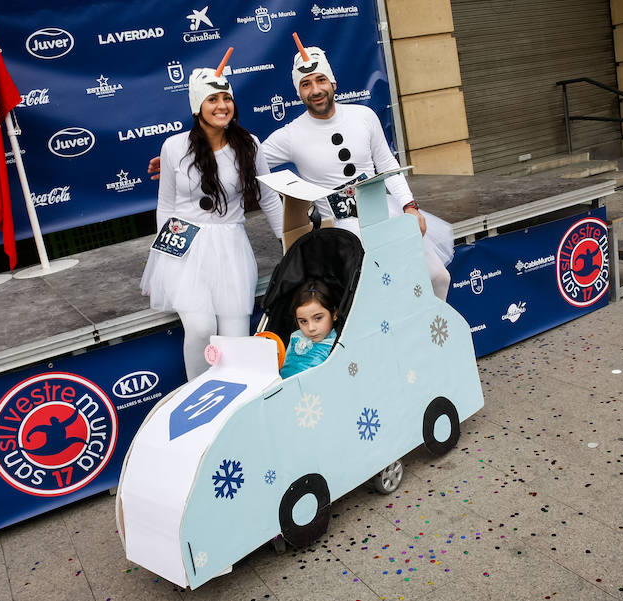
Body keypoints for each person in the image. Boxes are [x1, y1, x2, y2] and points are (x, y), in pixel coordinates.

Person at [261, 40, 454, 300]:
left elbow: (387, 164)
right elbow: (253, 162)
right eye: (306, 84)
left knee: (437, 277)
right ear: (298, 92)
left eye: (321, 80)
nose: (315, 89)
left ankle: (433, 337)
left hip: (387, 216)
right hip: (341, 235)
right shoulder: (290, 135)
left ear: (333, 83)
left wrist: (409, 205)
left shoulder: (363, 116)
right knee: (376, 297)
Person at [141, 56, 283, 380]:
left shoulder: (250, 146)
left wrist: (287, 242)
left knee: (235, 337)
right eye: (213, 99)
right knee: (202, 327)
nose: (222, 105)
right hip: (186, 247)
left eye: (227, 98)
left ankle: (232, 402)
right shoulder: (173, 147)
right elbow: (166, 206)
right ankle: (197, 393)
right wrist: (162, 259)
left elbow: (270, 198)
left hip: (231, 245)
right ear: (197, 106)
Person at [279, 280, 338, 378]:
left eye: (318, 318)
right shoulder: (296, 337)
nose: (311, 328)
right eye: (303, 321)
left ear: (334, 314)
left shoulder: (338, 345)